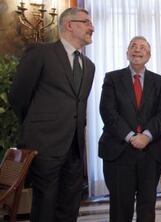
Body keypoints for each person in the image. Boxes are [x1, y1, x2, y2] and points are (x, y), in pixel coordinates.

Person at [9, 7, 95, 222]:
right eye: (86, 22)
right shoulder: (41, 53)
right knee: (45, 204)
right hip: (44, 144)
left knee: (70, 205)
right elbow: (19, 96)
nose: (91, 27)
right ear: (69, 25)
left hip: (74, 147)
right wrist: (37, 127)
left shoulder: (89, 66)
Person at [98, 36, 161, 222]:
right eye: (133, 46)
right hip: (119, 150)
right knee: (121, 207)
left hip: (150, 151)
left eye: (143, 47)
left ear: (149, 55)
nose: (137, 50)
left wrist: (146, 135)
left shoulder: (160, 82)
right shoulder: (112, 78)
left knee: (147, 206)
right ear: (127, 53)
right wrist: (130, 136)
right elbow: (107, 111)